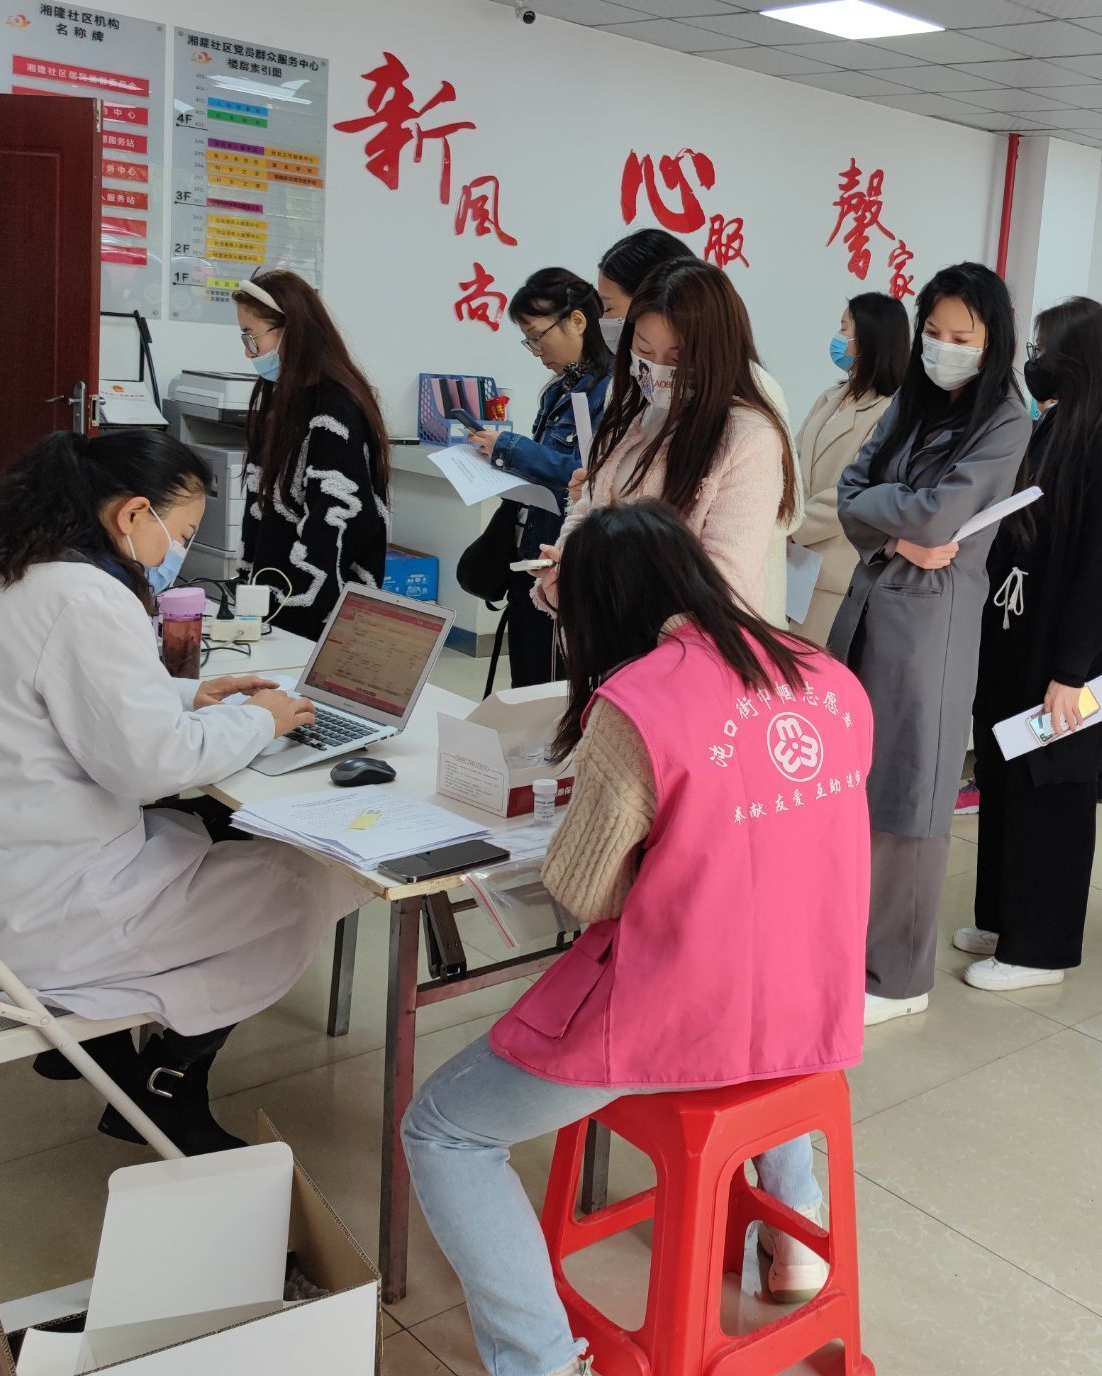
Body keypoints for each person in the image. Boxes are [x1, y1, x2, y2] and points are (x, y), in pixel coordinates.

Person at [403, 502, 874, 1376]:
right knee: (760, 1014)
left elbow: (583, 890)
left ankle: (540, 1363)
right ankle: (794, 1241)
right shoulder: (824, 673)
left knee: (442, 1129)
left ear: (599, 609)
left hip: (684, 1009)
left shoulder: (640, 700)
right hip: (814, 993)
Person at [0, 431, 364, 1154]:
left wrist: (189, 695)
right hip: (54, 916)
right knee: (314, 878)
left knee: (220, 842)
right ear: (132, 515)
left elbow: (60, 699)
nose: (177, 551)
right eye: (181, 534)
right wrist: (262, 720)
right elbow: (151, 765)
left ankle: (110, 1053)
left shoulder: (12, 570)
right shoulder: (87, 596)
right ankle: (166, 1078)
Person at [834, 263, 1031, 1023]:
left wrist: (893, 515)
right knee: (856, 786)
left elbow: (938, 518)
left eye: (963, 337)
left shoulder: (1004, 418)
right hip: (870, 603)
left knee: (910, 794)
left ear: (993, 340)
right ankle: (852, 950)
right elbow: (850, 494)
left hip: (930, 624)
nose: (945, 349)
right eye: (936, 334)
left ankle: (898, 978)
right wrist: (896, 532)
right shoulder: (910, 402)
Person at [957, 297, 1102, 991]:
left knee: (1051, 792)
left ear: (1078, 356)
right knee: (1006, 779)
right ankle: (1003, 917)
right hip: (1017, 634)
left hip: (1065, 657)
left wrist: (1070, 671)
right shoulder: (1055, 425)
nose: (1033, 362)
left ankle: (1040, 949)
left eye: (1043, 350)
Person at [539, 260, 797, 621]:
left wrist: (610, 593)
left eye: (677, 358)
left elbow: (726, 585)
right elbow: (588, 512)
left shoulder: (747, 436)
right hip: (605, 640)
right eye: (644, 351)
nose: (657, 370)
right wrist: (564, 574)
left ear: (715, 355)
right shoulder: (630, 414)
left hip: (678, 647)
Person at [469, 267, 615, 686]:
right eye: (528, 340)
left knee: (554, 688)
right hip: (531, 554)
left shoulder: (610, 391)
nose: (535, 350)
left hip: (567, 560)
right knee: (526, 682)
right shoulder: (558, 390)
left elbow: (588, 475)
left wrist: (510, 448)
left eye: (537, 336)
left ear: (577, 321)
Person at [234, 269, 392, 639]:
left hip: (313, 601)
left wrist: (300, 610)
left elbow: (334, 525)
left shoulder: (334, 409)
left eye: (251, 337)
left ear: (291, 331)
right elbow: (260, 508)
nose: (247, 351)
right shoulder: (282, 398)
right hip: (273, 589)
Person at [789, 291, 910, 646]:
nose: (838, 338)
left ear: (870, 338)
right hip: (793, 559)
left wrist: (794, 525)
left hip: (834, 567)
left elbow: (854, 489)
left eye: (845, 329)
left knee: (819, 665)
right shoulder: (831, 397)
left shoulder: (890, 412)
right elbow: (792, 457)